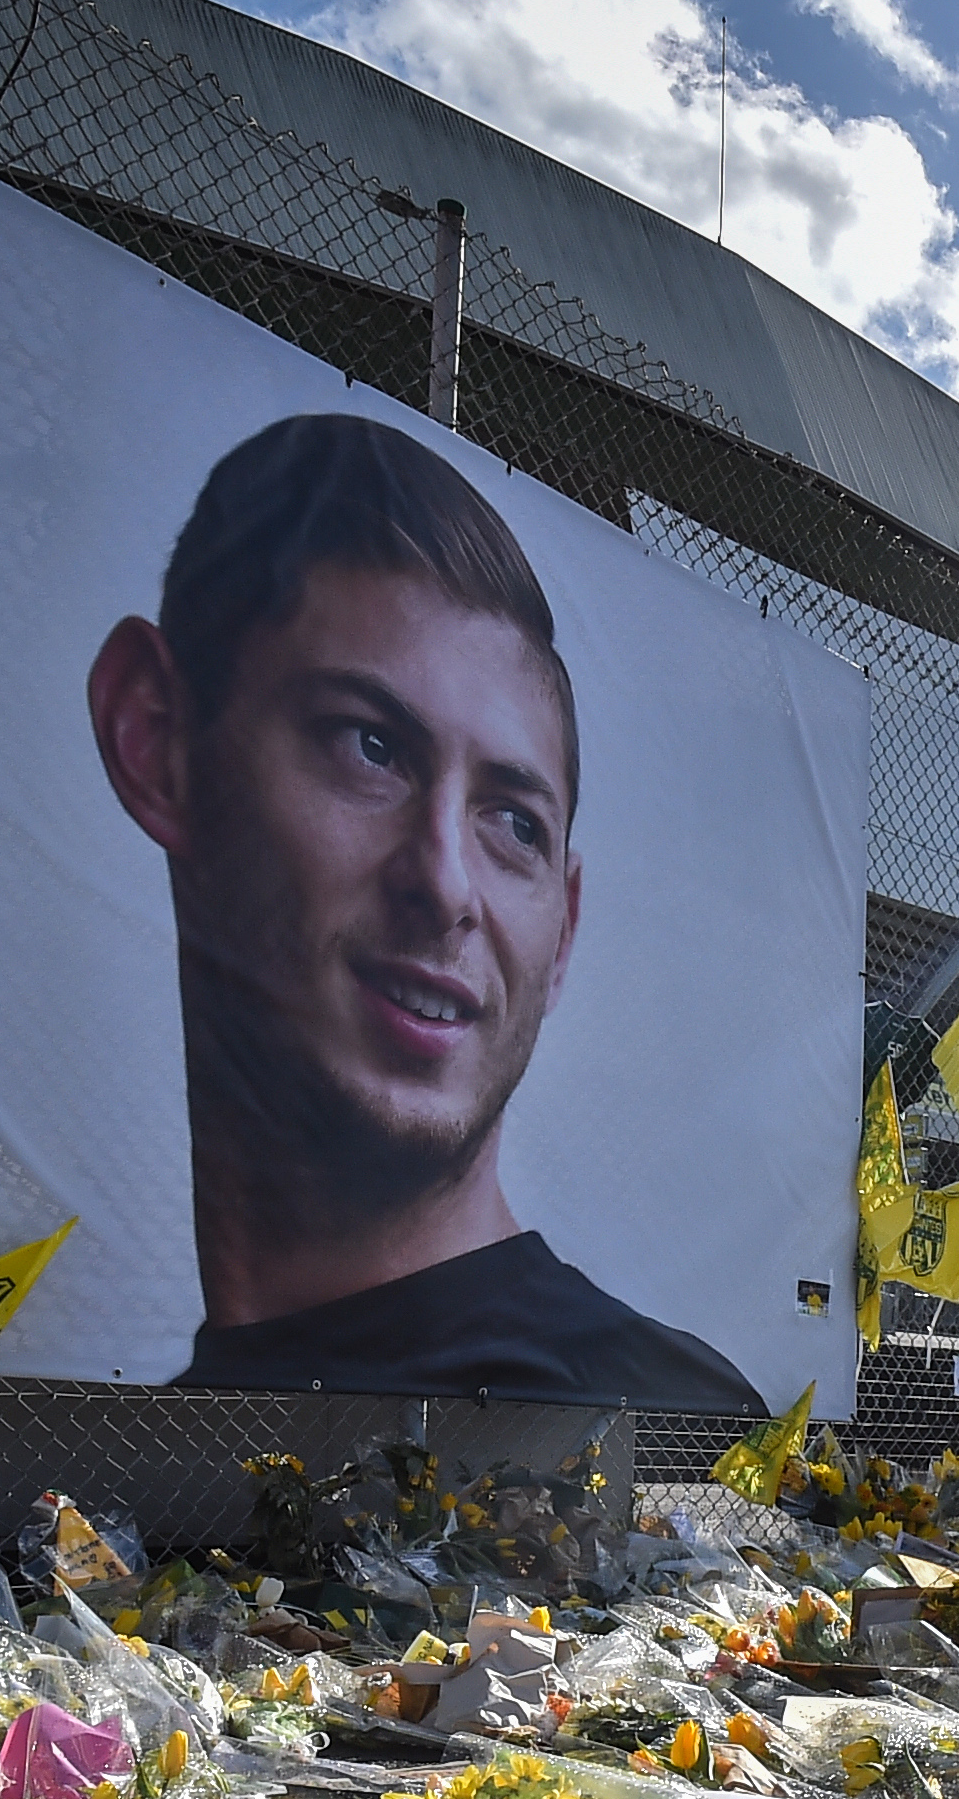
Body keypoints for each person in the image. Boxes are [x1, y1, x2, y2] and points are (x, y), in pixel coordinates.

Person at [90, 410, 757, 1403]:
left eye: (514, 824)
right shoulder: (101, 1473)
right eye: (368, 747)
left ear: (564, 931)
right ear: (155, 740)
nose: (444, 884)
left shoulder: (661, 1425)